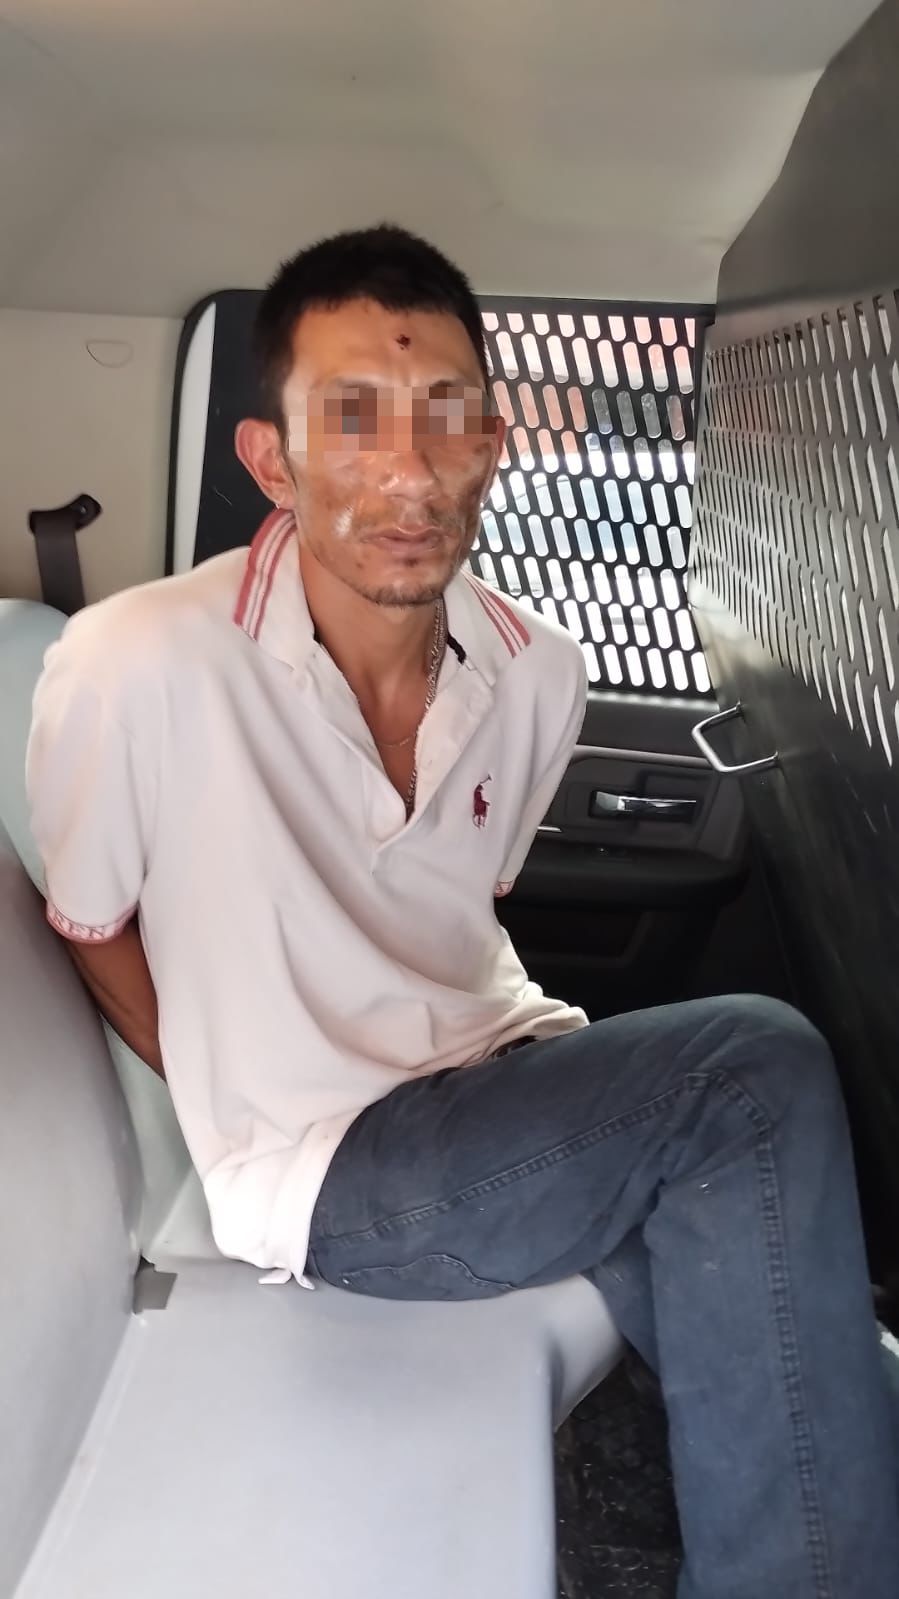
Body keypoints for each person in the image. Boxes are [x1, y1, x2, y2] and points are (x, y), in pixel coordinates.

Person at [26, 223, 898, 1596]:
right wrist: (227, 1094)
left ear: (494, 442)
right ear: (272, 459)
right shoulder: (138, 664)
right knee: (750, 1069)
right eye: (351, 417)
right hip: (331, 1164)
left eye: (447, 416)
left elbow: (462, 914)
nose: (409, 470)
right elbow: (90, 926)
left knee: (795, 1315)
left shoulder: (538, 669)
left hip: (505, 1081)